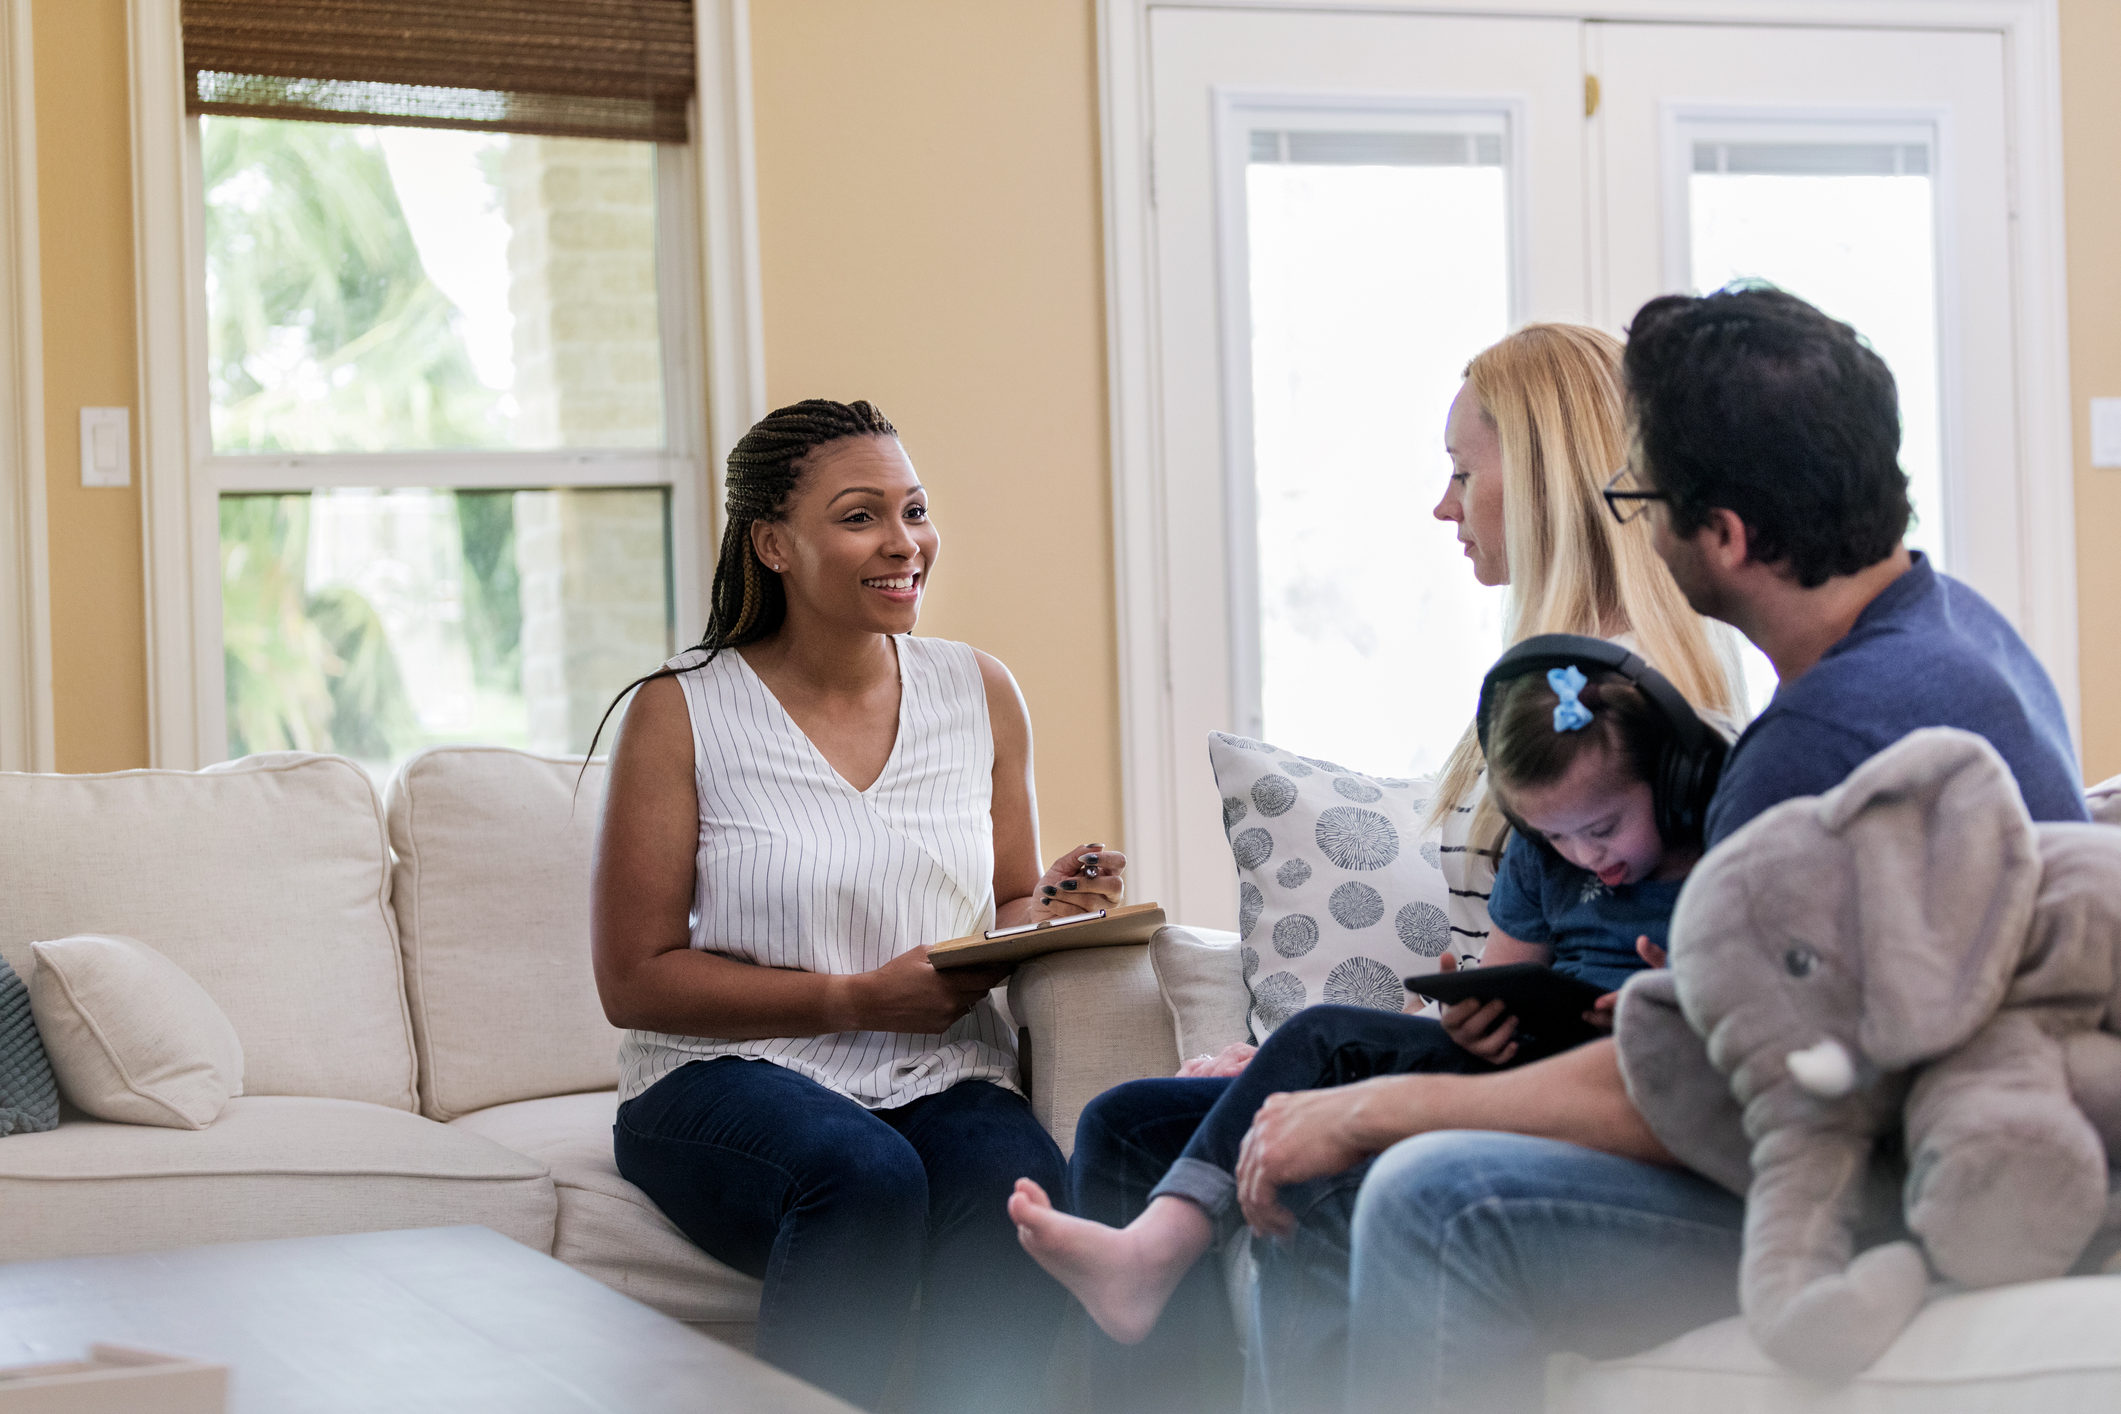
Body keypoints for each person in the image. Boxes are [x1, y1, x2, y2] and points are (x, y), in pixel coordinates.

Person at [1225, 286, 2092, 1413]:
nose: (1633, 518)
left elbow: (1696, 1089)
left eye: (1646, 496)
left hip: (1890, 1180)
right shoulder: (1956, 624)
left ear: (1725, 536)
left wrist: (1372, 1109)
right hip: (1948, 1126)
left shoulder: (1817, 745)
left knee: (1436, 1193)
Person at [1051, 323, 1744, 1412]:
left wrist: (1340, 1084)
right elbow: (1496, 965)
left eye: (1465, 472)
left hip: (1587, 1085)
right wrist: (1294, 1069)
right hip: (1506, 1053)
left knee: (1306, 1164)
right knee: (1128, 1125)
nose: (1443, 504)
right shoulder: (1529, 702)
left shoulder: (1651, 726)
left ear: (1551, 479)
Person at [589, 399, 1126, 1413]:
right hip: (719, 1077)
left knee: (1021, 1193)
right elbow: (633, 977)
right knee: (864, 1175)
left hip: (939, 1067)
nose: (904, 542)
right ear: (774, 545)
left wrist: (1053, 908)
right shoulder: (680, 709)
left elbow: (1005, 899)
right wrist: (850, 998)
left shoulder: (980, 691)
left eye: (913, 509)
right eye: (860, 516)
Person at [1007, 648, 1722, 1346]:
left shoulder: (1722, 852)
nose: (1587, 856)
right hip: (1528, 1058)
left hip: (1635, 1072)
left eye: (1600, 830)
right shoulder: (1545, 855)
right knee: (1321, 1035)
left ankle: (1155, 1250)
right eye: (1558, 836)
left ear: (1673, 780)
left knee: (1315, 1170)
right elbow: (1509, 972)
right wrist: (1474, 1019)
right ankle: (1156, 1242)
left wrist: (1673, 993)